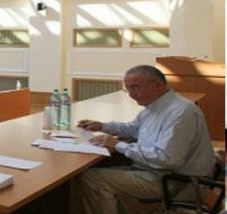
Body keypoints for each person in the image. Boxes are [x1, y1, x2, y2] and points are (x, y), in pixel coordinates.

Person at [77, 65, 215, 214]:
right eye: (128, 90)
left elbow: (167, 158)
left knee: (93, 178)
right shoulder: (156, 106)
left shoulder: (180, 112)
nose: (131, 95)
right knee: (99, 171)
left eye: (135, 88)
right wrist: (102, 126)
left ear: (157, 85)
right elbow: (134, 128)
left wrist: (118, 145)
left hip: (176, 181)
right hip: (157, 172)